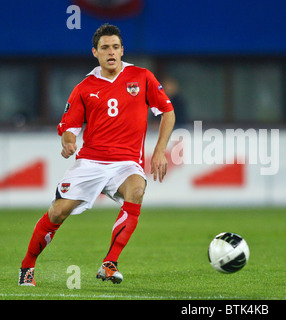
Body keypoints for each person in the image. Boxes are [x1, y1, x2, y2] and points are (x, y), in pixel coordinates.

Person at [18, 23, 176, 286]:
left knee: (136, 191)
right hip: (91, 162)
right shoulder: (84, 87)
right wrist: (69, 143)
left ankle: (109, 264)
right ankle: (27, 266)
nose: (111, 52)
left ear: (123, 50)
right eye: (105, 48)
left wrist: (160, 151)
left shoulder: (142, 77)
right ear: (95, 52)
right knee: (58, 213)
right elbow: (69, 128)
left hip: (126, 163)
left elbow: (167, 112)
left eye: (115, 47)